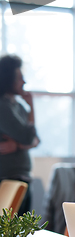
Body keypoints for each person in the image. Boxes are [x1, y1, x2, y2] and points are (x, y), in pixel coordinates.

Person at [0, 55, 39, 215]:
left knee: (21, 232)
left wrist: (17, 145)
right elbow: (29, 137)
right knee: (12, 233)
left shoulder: (18, 106)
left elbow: (36, 139)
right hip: (9, 177)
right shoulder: (3, 107)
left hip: (22, 176)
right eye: (20, 78)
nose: (24, 82)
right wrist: (32, 107)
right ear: (9, 80)